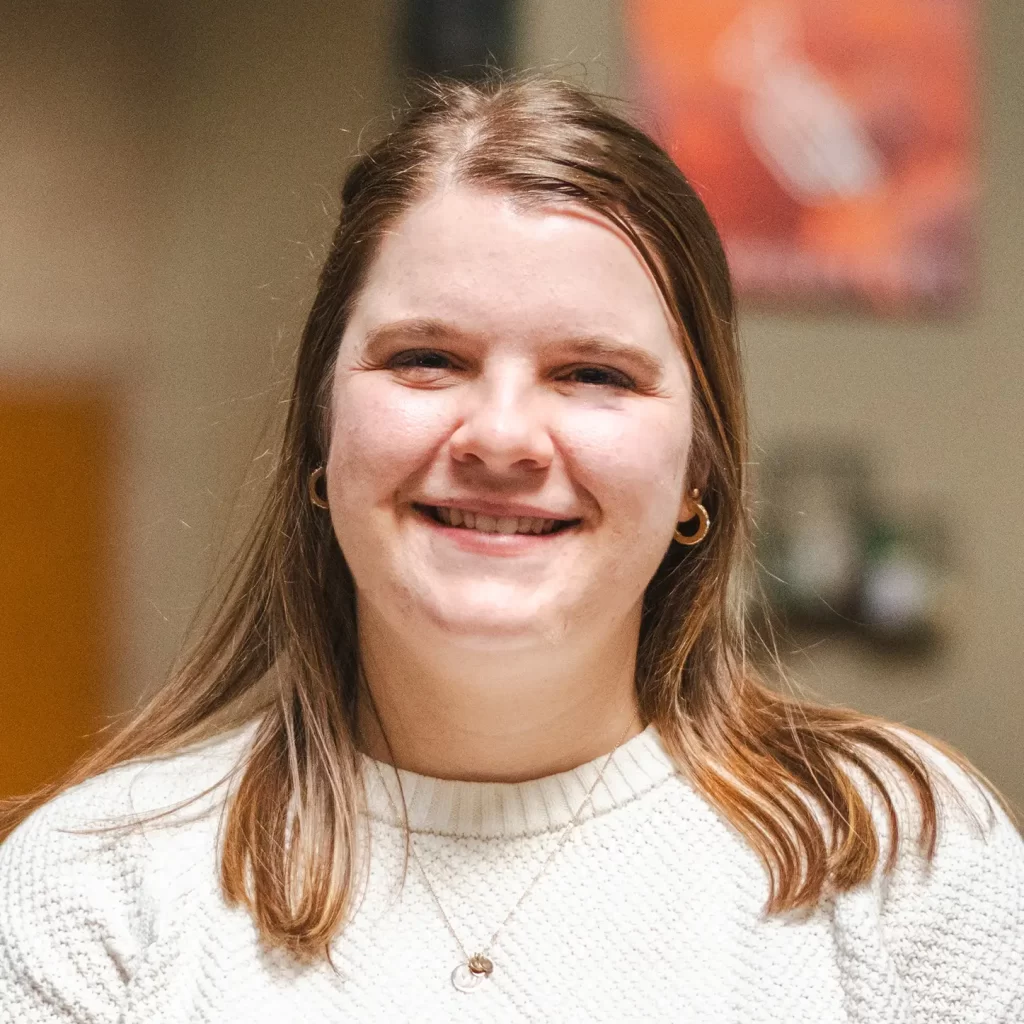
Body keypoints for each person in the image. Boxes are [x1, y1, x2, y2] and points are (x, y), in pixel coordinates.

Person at [1, 77, 1022, 1024]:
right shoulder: (94, 889)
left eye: (593, 374)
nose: (500, 437)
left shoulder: (902, 859)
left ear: (698, 470)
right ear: (322, 431)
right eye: (426, 358)